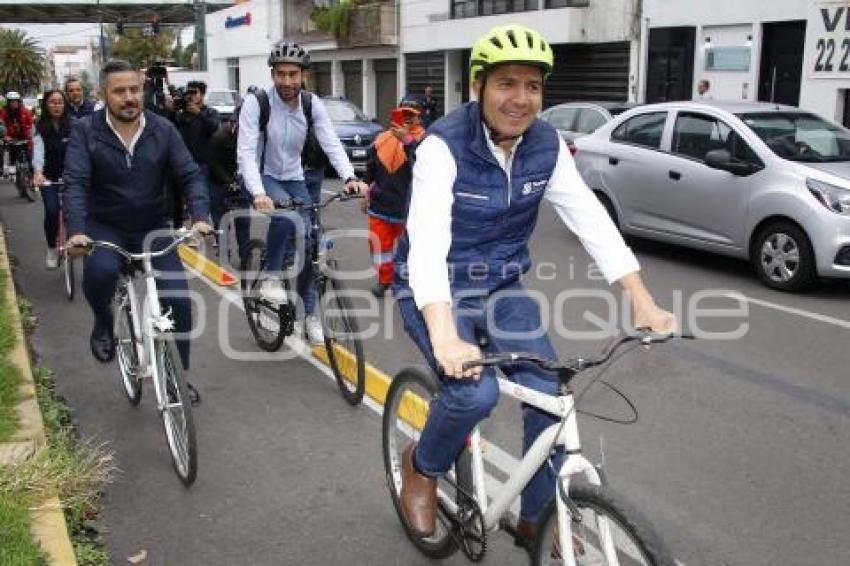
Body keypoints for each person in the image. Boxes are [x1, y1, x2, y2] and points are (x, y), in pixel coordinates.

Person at [393, 25, 676, 544]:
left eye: (533, 86)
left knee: (551, 394)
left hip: (501, 287)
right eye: (506, 83)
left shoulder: (546, 146)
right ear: (478, 85)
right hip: (434, 287)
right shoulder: (443, 147)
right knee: (474, 396)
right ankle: (423, 465)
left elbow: (589, 219)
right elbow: (428, 244)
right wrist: (444, 331)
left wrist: (643, 300)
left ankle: (537, 518)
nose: (520, 99)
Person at [63, 59, 212, 403]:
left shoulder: (162, 129)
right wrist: (76, 232)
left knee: (178, 301)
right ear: (103, 94)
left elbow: (189, 175)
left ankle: (178, 376)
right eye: (119, 91)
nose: (128, 97)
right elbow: (75, 184)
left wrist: (201, 215)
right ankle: (103, 320)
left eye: (134, 89)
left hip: (153, 227)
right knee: (100, 273)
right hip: (106, 227)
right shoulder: (86, 131)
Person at [237, 41, 367, 345]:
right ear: (272, 74)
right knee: (285, 218)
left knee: (310, 246)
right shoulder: (258, 103)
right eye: (280, 74)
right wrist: (257, 193)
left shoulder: (311, 104)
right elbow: (245, 153)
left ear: (303, 74)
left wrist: (350, 176)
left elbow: (331, 142)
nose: (286, 81)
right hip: (262, 175)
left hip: (294, 176)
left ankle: (310, 316)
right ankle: (270, 276)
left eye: (293, 74)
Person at [362, 96, 426, 297]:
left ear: (420, 117)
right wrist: (366, 191)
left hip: (409, 209)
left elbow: (423, 166)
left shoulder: (426, 140)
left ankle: (410, 283)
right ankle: (384, 280)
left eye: (412, 114)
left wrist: (406, 141)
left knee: (412, 250)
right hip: (380, 206)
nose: (407, 118)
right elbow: (371, 169)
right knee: (379, 248)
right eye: (403, 113)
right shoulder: (382, 138)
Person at [170, 81, 221, 225]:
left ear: (202, 94)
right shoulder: (183, 113)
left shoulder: (210, 112)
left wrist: (199, 114)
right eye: (189, 93)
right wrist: (173, 111)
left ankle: (204, 227)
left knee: (201, 196)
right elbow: (171, 129)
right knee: (179, 198)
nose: (191, 96)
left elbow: (214, 127)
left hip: (203, 162)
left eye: (194, 92)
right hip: (183, 161)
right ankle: (180, 228)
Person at [32, 90, 72, 269]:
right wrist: (38, 172)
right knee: (52, 211)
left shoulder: (75, 125)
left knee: (75, 212)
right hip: (49, 178)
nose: (57, 106)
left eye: (60, 102)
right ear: (46, 106)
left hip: (72, 178)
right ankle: (51, 248)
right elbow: (38, 152)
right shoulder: (39, 127)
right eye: (52, 102)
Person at [1, 91, 35, 164]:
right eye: (12, 101)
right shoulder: (3, 112)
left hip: (24, 139)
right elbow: (1, 125)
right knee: (9, 160)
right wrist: (4, 136)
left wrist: (31, 136)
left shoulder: (25, 112)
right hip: (10, 140)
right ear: (8, 102)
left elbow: (31, 125)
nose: (14, 103)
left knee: (30, 160)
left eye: (16, 100)